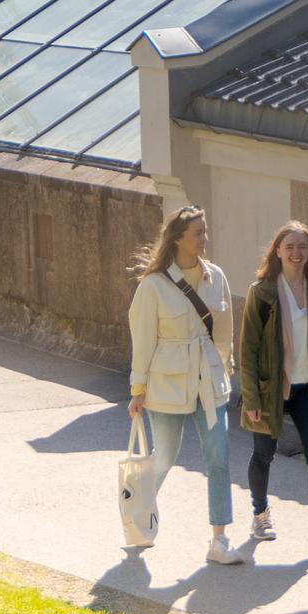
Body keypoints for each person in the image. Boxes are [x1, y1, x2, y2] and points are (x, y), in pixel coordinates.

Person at [122, 205, 244, 568]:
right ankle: (138, 518)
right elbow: (142, 340)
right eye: (197, 233)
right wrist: (137, 390)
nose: (204, 239)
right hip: (167, 383)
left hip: (209, 379)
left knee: (219, 456)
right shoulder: (153, 286)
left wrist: (226, 370)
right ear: (177, 238)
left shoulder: (216, 276)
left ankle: (219, 540)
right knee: (164, 457)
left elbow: (223, 332)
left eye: (204, 232)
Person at [237, 219, 308, 555]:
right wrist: (252, 397)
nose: (296, 253)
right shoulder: (262, 292)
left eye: (302, 246)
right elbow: (249, 348)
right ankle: (260, 515)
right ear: (277, 251)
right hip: (272, 388)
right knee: (264, 454)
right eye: (289, 247)